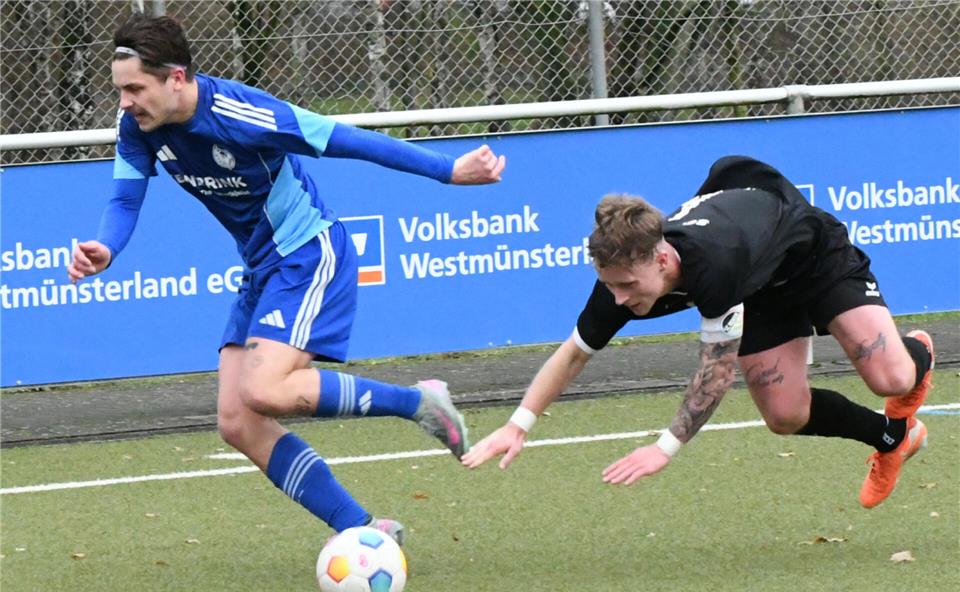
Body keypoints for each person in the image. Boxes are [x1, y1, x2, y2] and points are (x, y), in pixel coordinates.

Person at [68, 13, 505, 545]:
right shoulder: (138, 126)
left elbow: (346, 139)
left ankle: (417, 403)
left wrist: (447, 169)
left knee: (265, 388)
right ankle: (362, 529)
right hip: (261, 267)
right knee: (237, 421)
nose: (125, 102)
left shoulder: (242, 113)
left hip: (307, 253)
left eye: (135, 88)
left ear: (176, 77)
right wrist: (106, 249)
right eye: (120, 90)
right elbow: (123, 198)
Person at [463, 155, 934, 509]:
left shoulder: (714, 264)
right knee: (786, 415)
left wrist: (665, 447)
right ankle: (893, 437)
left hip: (813, 258)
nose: (621, 298)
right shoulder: (618, 285)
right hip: (758, 289)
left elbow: (716, 370)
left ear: (663, 259)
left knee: (890, 378)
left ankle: (919, 355)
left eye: (628, 285)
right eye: (611, 285)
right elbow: (572, 354)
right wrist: (517, 424)